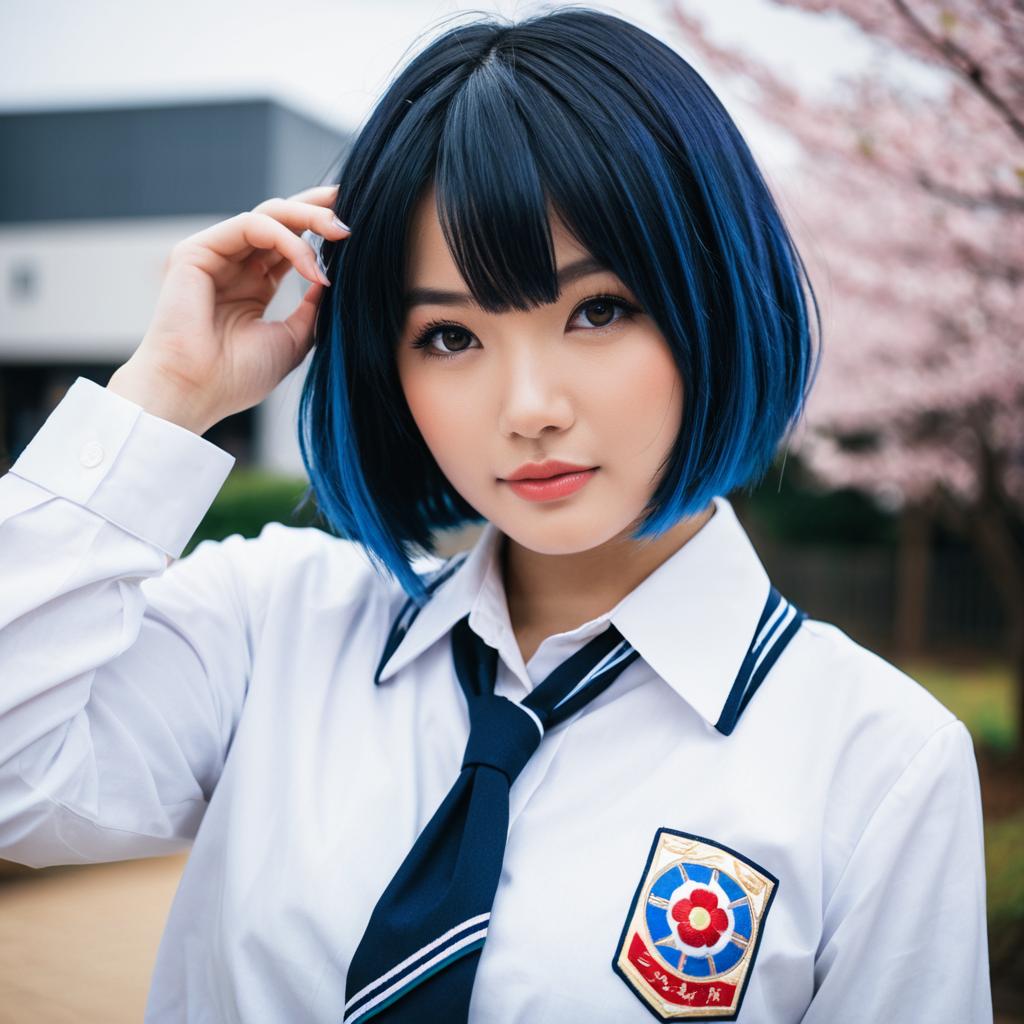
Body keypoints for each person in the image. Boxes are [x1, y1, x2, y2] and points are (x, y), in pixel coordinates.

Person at [0, 8, 991, 1023]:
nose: (528, 409)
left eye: (598, 310)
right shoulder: (273, 628)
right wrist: (164, 390)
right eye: (449, 335)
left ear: (715, 299)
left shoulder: (875, 763)